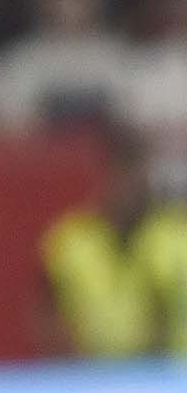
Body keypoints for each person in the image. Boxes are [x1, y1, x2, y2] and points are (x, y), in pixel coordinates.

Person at [41, 129, 187, 358]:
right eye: (120, 173)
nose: (128, 186)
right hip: (90, 377)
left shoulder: (173, 236)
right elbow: (45, 309)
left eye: (135, 173)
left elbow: (166, 313)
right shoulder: (72, 239)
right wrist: (69, 362)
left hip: (168, 376)